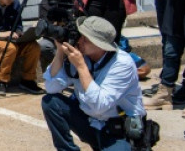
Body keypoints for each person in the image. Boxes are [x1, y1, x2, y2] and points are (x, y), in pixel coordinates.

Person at [41, 16, 146, 151]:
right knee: (51, 102)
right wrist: (60, 52)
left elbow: (99, 106)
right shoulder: (82, 56)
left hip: (119, 131)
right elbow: (51, 88)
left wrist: (81, 67)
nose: (79, 41)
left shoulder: (121, 63)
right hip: (92, 123)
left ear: (100, 45)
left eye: (85, 39)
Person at [38, 0, 81, 71]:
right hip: (58, 39)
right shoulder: (45, 3)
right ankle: (59, 71)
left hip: (79, 34)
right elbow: (46, 28)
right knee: (43, 46)